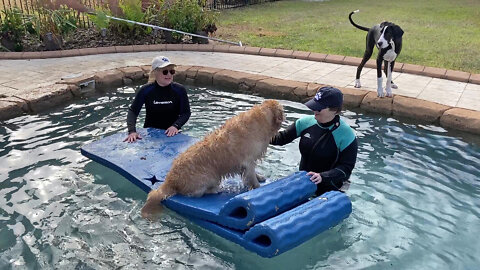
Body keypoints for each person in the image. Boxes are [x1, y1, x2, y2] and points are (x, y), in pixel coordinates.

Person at [270, 86, 358, 195]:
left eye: (319, 108)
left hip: (331, 189)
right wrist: (255, 133)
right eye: (314, 106)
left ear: (334, 110)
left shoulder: (346, 135)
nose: (314, 111)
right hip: (304, 183)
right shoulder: (305, 123)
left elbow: (345, 169)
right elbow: (280, 139)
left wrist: (322, 176)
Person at [124, 56, 191, 142]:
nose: (169, 74)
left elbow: (186, 113)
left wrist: (176, 126)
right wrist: (132, 131)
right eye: (165, 72)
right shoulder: (146, 90)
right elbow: (133, 111)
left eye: (172, 71)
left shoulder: (179, 90)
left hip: (172, 134)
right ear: (155, 72)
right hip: (150, 134)